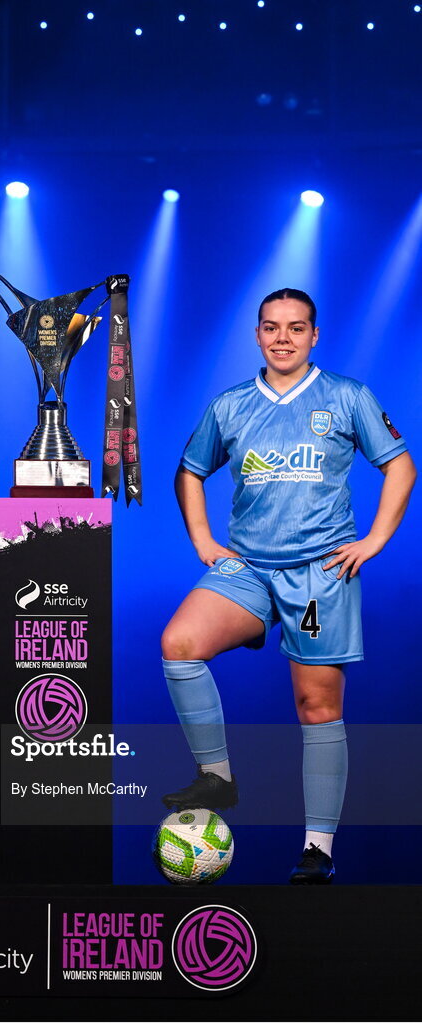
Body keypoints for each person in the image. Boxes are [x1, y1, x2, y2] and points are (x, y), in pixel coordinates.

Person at [161, 287, 415, 884]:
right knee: (179, 644)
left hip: (319, 574)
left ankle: (317, 850)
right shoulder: (231, 405)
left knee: (316, 706)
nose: (283, 338)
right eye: (271, 327)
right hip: (248, 567)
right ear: (256, 335)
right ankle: (217, 778)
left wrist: (374, 540)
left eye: (296, 328)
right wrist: (204, 542)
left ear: (314, 336)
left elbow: (400, 466)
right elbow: (189, 472)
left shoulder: (347, 396)